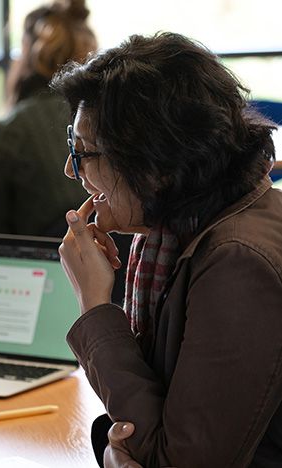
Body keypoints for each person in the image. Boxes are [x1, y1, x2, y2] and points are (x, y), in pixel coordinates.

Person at [53, 32, 282, 467]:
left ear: (154, 165)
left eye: (84, 152)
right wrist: (112, 448)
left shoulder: (238, 262)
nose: (70, 169)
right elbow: (148, 423)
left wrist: (95, 306)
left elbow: (174, 460)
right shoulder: (174, 234)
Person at [0, 0, 95, 238]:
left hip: (39, 270)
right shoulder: (113, 123)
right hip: (121, 268)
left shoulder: (5, 134)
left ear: (26, 51)